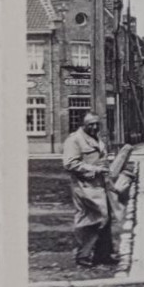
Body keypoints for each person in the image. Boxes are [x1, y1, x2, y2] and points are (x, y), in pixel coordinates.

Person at [61, 112, 116, 267]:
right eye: (90, 124)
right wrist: (94, 169)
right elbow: (70, 163)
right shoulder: (74, 140)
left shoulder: (96, 138)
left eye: (97, 124)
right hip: (84, 185)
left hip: (99, 185)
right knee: (90, 219)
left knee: (105, 219)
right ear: (82, 125)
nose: (94, 127)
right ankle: (83, 256)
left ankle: (103, 255)